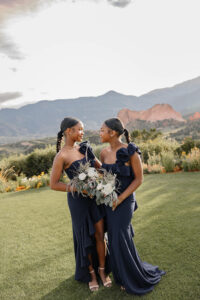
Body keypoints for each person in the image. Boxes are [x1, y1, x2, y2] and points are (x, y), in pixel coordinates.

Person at [99, 117, 165, 295]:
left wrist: (119, 199)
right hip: (109, 201)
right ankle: (120, 276)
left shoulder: (130, 151)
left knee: (120, 236)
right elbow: (104, 177)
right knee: (113, 237)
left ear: (112, 133)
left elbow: (139, 179)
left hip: (125, 200)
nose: (100, 133)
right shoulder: (104, 153)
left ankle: (131, 278)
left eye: (102, 130)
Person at [50, 117, 111, 292]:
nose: (82, 133)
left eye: (82, 130)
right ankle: (91, 274)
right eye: (79, 129)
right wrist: (76, 187)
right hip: (78, 202)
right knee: (86, 238)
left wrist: (109, 179)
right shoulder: (61, 156)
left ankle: (102, 271)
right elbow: (54, 184)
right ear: (68, 131)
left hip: (95, 198)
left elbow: (101, 169)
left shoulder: (85, 148)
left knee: (100, 235)